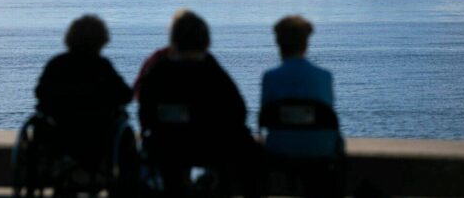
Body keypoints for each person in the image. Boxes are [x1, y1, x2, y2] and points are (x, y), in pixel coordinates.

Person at [138, 10, 258, 197]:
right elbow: (238, 111)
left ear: (173, 41)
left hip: (166, 147)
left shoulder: (158, 72)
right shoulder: (212, 71)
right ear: (206, 41)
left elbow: (144, 113)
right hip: (209, 147)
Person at [35, 14, 133, 172]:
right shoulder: (102, 66)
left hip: (61, 134)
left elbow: (40, 93)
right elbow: (125, 95)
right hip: (98, 136)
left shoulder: (57, 64)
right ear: (101, 40)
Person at [261, 15, 341, 158]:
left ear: (278, 42)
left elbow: (265, 118)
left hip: (279, 151)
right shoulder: (325, 76)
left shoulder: (270, 77)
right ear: (306, 43)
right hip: (321, 152)